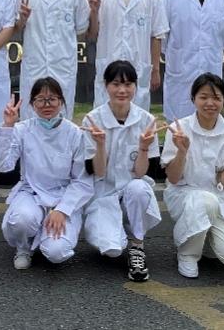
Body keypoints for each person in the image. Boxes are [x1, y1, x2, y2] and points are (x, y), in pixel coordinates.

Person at [161, 73, 224, 278]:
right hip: (184, 196)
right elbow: (174, 178)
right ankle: (187, 254)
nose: (210, 103)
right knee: (205, 201)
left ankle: (203, 238)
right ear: (193, 99)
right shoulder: (179, 130)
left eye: (216, 98)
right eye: (203, 97)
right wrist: (182, 152)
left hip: (220, 200)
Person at [0, 78, 93, 270]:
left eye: (52, 99)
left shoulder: (74, 133)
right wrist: (7, 127)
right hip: (31, 192)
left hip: (62, 196)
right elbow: (3, 166)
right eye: (40, 99)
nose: (46, 105)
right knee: (22, 220)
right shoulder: (22, 129)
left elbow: (82, 181)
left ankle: (44, 235)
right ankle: (24, 247)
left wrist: (62, 210)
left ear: (61, 102)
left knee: (57, 253)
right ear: (32, 104)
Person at [81, 60, 163, 282]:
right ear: (106, 86)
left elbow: (140, 174)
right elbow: (98, 172)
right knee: (112, 249)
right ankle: (118, 229)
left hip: (131, 191)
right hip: (103, 193)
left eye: (128, 84)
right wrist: (100, 145)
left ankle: (137, 245)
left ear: (135, 86)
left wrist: (143, 148)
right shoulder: (93, 120)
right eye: (116, 84)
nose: (122, 90)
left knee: (138, 188)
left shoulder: (146, 120)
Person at [87, 0, 168, 111]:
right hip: (108, 64)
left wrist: (155, 70)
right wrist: (94, 11)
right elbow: (93, 35)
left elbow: (156, 36)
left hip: (138, 67)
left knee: (137, 116)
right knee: (104, 115)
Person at [15, 0, 90, 119]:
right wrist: (23, 19)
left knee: (62, 109)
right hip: (35, 61)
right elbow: (15, 28)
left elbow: (82, 28)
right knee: (32, 109)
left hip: (63, 63)